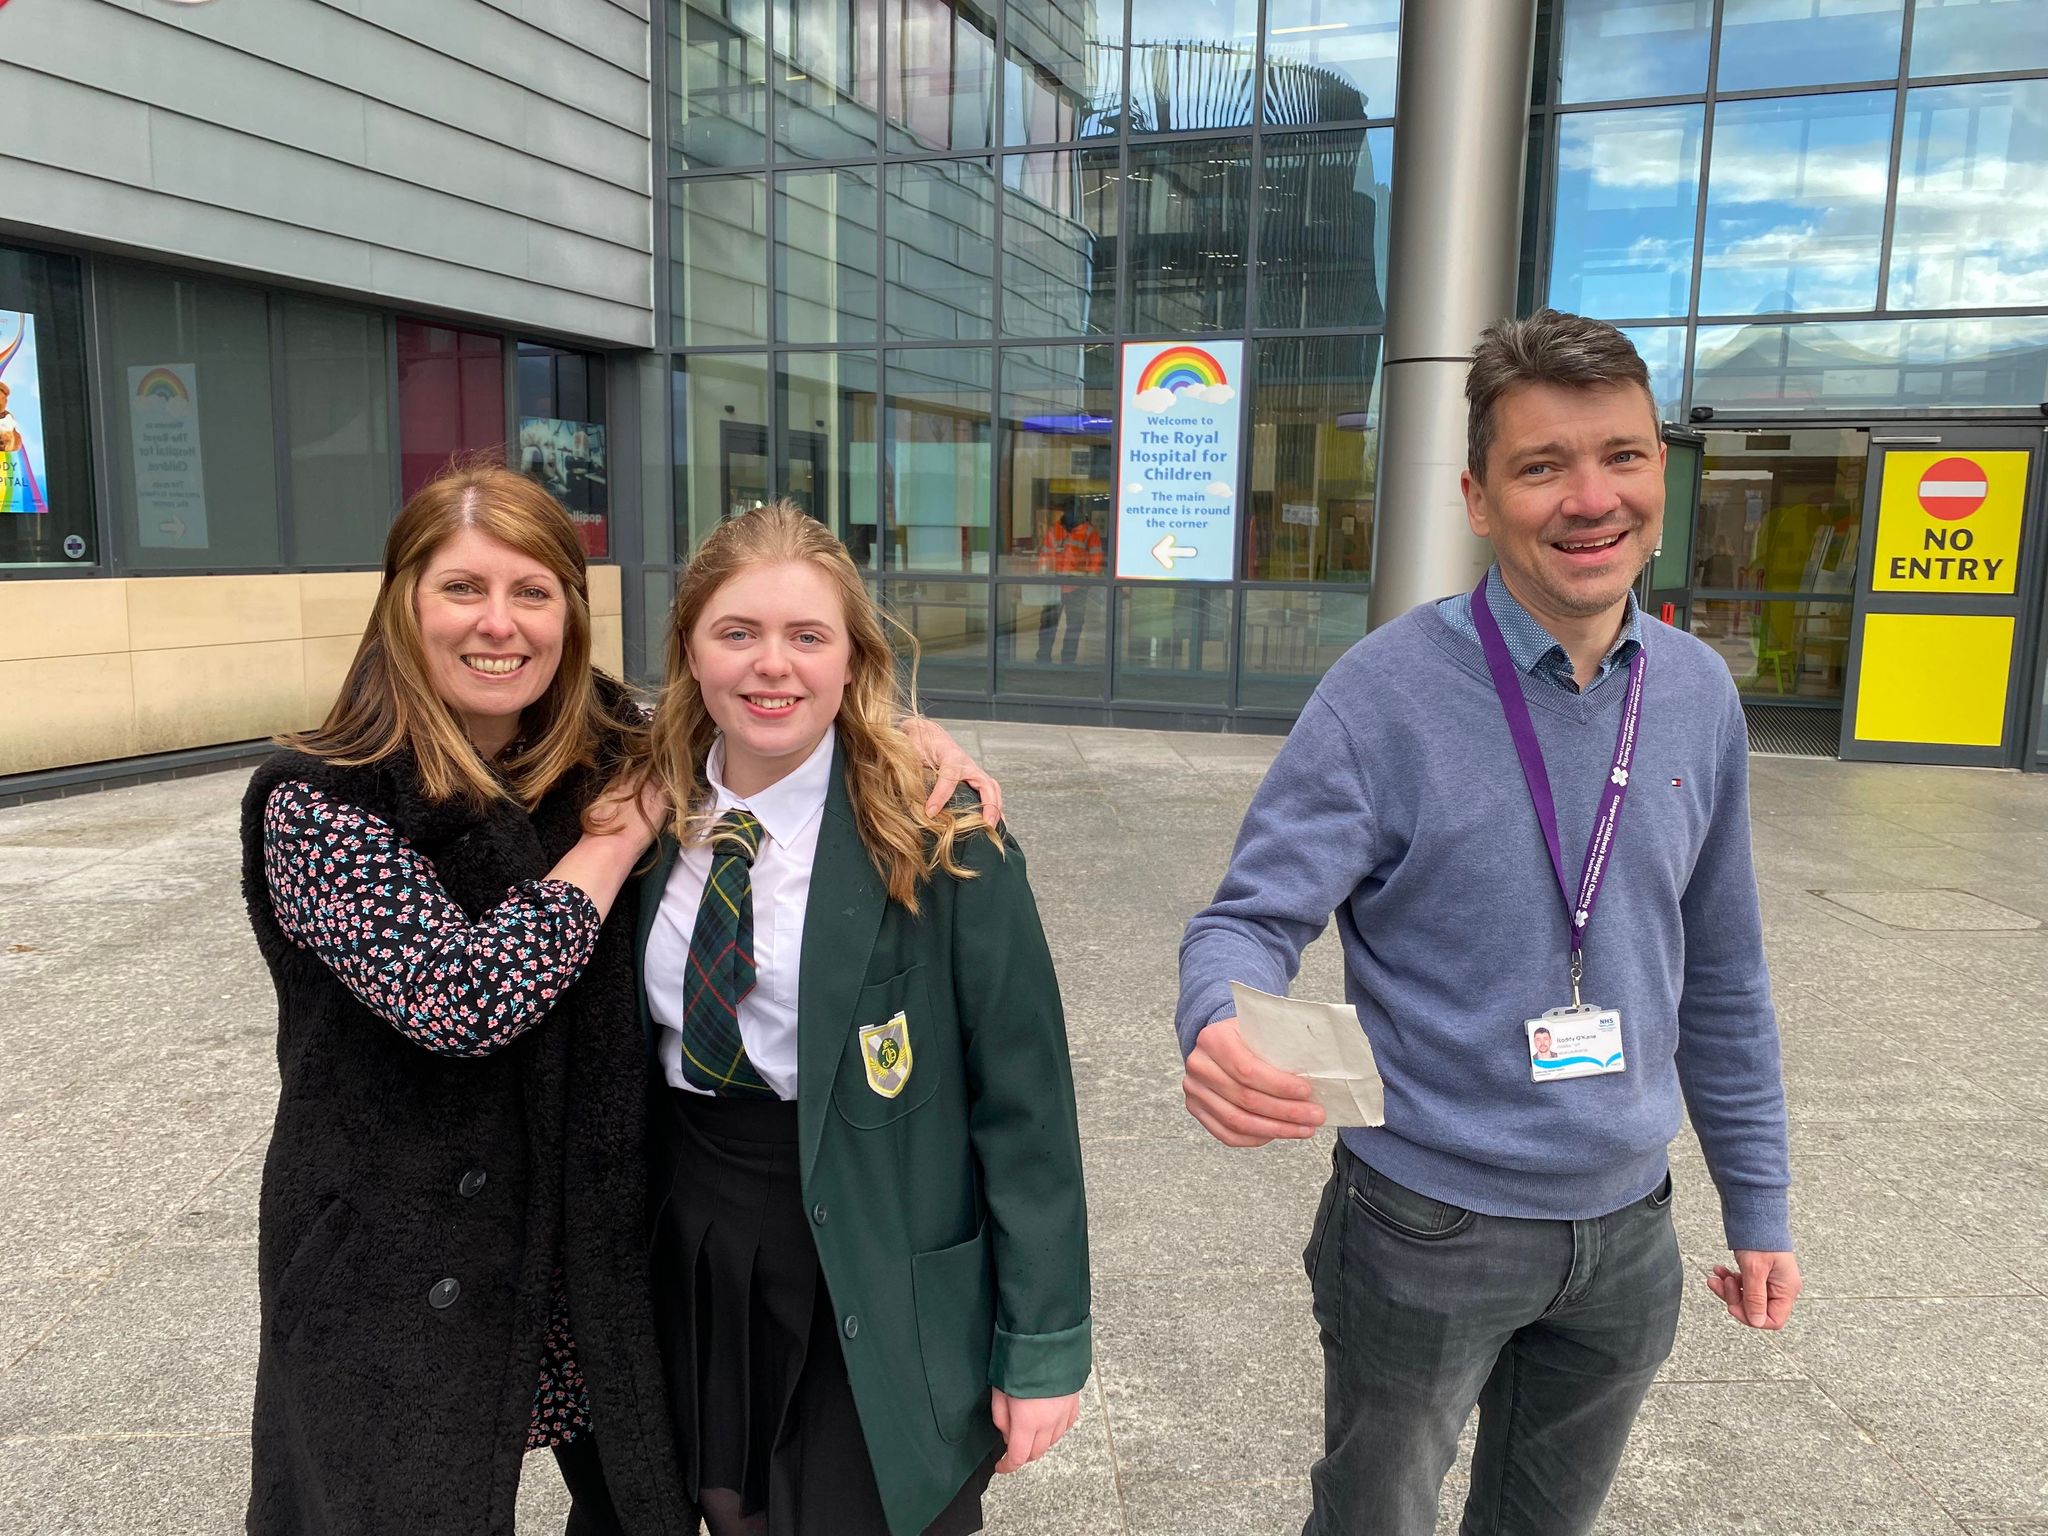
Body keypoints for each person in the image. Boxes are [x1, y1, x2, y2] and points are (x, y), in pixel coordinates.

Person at [240, 465, 994, 1535]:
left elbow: (764, 705)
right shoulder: (320, 803)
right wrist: (612, 839)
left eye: (533, 592)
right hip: (398, 1265)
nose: (498, 625)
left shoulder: (608, 744)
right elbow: (462, 998)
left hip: (588, 1259)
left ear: (571, 613)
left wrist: (899, 737)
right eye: (462, 589)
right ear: (402, 605)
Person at [1175, 309, 1799, 1536]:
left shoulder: (1695, 694)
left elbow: (1722, 970)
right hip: (1425, 1225)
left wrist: (1758, 1203)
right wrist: (1219, 1027)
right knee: (1374, 1520)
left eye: (1619, 456)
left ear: (1657, 473)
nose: (1588, 498)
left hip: (1629, 1229)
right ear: (1475, 495)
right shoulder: (1383, 694)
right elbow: (1244, 922)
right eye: (1539, 465)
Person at [632, 501, 1091, 1536]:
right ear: (690, 653)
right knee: (723, 1507)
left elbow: (1025, 1104)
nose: (771, 667)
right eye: (736, 633)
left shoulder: (939, 831)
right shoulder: (642, 810)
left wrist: (1042, 1344)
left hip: (877, 1248)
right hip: (694, 1243)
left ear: (853, 660)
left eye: (807, 636)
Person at [1034, 502, 1103, 665]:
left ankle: (1067, 658)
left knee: (1074, 624)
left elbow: (1096, 558)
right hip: (1055, 585)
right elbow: (1045, 554)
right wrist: (1043, 575)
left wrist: (1089, 579)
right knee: (1049, 624)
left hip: (1077, 585)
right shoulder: (1055, 530)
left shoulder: (1088, 532)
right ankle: (1043, 656)